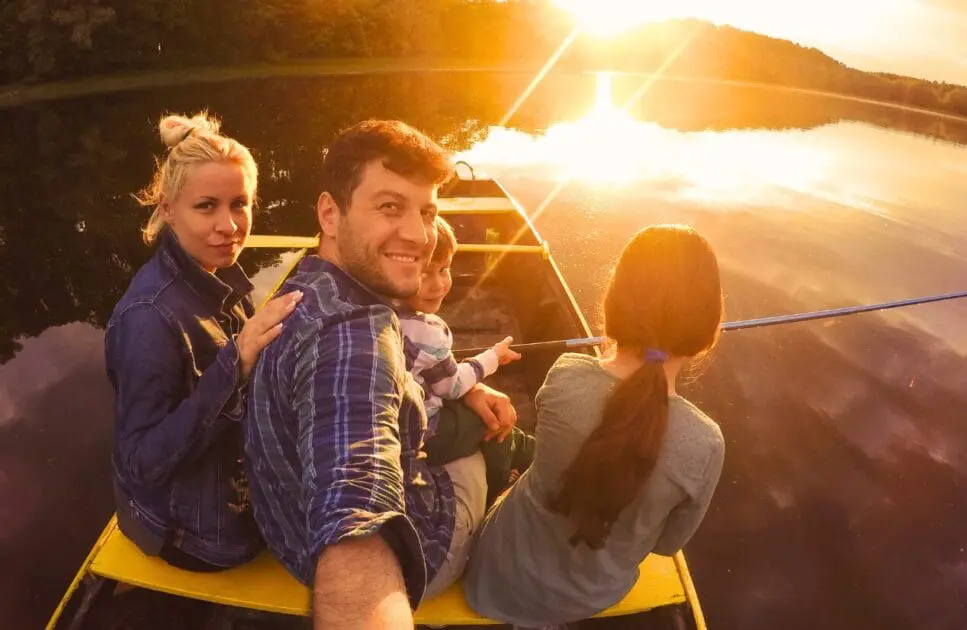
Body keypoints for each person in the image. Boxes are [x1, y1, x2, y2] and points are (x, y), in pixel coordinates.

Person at [243, 119, 517, 629]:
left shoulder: (308, 283)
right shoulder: (357, 339)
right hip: (417, 555)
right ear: (330, 212)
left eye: (427, 211)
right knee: (484, 451)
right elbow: (356, 502)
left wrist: (471, 385)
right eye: (390, 207)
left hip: (288, 534)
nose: (419, 236)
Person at [463, 225, 727, 627]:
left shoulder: (566, 375)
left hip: (495, 577)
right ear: (707, 333)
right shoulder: (705, 444)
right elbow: (666, 544)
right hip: (588, 599)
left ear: (613, 306)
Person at [105, 111, 302, 571]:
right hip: (200, 536)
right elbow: (141, 463)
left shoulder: (215, 274)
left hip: (223, 488)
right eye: (206, 206)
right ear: (168, 209)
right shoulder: (149, 319)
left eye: (240, 204)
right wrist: (236, 362)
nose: (230, 226)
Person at [398, 216, 535, 506]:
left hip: (405, 413)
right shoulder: (428, 332)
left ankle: (529, 449)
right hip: (424, 431)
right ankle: (500, 483)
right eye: (425, 274)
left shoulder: (380, 310)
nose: (438, 285)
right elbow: (452, 386)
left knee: (499, 425)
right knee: (492, 428)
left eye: (444, 270)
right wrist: (492, 358)